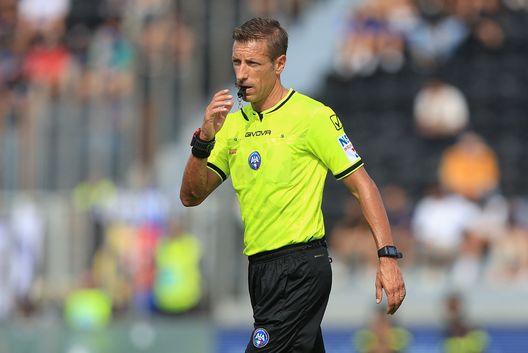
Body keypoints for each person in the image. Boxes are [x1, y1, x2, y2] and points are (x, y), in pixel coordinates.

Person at [180, 17, 405, 353]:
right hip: (259, 270)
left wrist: (387, 256)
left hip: (300, 268)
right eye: (237, 62)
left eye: (253, 63)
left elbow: (363, 185)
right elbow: (191, 196)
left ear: (279, 64)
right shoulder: (230, 125)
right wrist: (204, 140)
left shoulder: (312, 117)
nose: (241, 74)